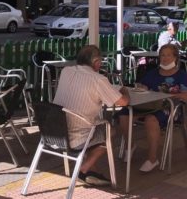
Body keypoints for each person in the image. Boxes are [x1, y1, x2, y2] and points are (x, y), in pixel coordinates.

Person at [53, 45, 130, 186]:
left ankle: (91, 172)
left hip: (54, 132)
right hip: (77, 137)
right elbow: (123, 102)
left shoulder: (66, 71)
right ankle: (83, 169)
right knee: (109, 131)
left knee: (93, 127)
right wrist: (125, 90)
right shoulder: (98, 79)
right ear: (96, 62)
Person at [115, 44, 187, 172]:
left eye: (168, 55)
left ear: (175, 57)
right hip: (148, 105)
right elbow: (142, 86)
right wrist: (141, 88)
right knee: (124, 114)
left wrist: (168, 95)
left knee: (151, 119)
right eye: (162, 55)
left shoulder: (181, 75)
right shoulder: (153, 73)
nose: (165, 58)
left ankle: (152, 159)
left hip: (170, 108)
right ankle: (130, 146)